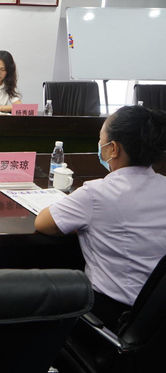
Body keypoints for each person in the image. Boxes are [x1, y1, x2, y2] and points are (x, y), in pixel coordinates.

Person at [35, 105, 166, 329]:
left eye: (101, 140)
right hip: (156, 323)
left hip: (110, 319)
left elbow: (43, 223)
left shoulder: (96, 193)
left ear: (113, 148)